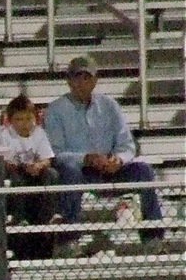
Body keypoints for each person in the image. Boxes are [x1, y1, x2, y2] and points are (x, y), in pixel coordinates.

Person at [44, 55, 164, 242]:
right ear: (68, 81)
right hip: (81, 172)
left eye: (87, 77)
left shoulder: (110, 106)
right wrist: (86, 158)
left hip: (110, 169)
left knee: (143, 170)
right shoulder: (55, 110)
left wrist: (118, 159)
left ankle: (154, 237)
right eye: (77, 77)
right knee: (69, 171)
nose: (82, 83)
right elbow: (55, 153)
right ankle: (69, 239)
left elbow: (127, 144)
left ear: (95, 80)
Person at [0, 94, 59, 255]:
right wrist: (21, 166)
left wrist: (38, 166)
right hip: (15, 171)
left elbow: (47, 159)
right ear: (10, 120)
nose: (24, 123)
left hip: (35, 172)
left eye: (28, 119)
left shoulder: (39, 133)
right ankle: (20, 217)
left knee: (51, 174)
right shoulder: (4, 135)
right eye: (19, 119)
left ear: (35, 118)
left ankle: (47, 217)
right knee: (16, 179)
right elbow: (3, 161)